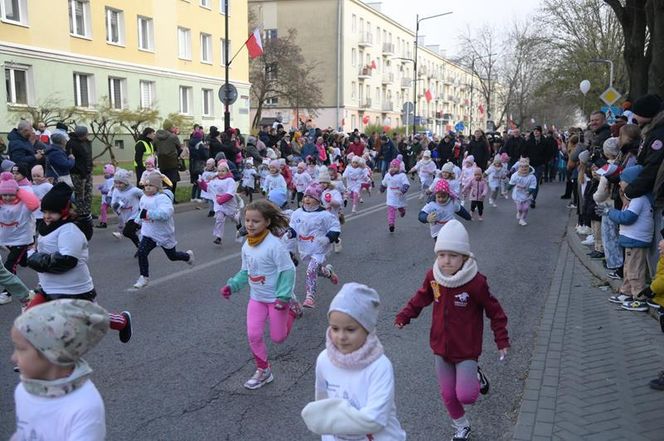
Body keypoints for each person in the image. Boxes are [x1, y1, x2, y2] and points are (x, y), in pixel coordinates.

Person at [395, 220, 509, 441]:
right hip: (440, 347)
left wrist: (501, 339)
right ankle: (461, 426)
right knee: (448, 394)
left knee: (466, 396)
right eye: (442, 255)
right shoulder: (433, 276)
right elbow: (421, 297)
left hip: (466, 349)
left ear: (465, 258)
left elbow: (495, 311)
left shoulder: (475, 283)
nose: (446, 261)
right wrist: (404, 316)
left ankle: (475, 374)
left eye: (453, 256)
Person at [24, 183, 132, 342]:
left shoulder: (69, 230)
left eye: (52, 213)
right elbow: (45, 251)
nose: (47, 216)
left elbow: (66, 261)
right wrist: (33, 253)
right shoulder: (46, 226)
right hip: (48, 288)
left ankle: (122, 322)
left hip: (74, 289)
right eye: (45, 212)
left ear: (64, 211)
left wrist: (33, 257)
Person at [301, 283, 406, 440]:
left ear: (367, 328)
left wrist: (333, 417)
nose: (341, 336)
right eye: (335, 328)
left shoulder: (379, 366)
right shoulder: (324, 360)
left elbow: (374, 419)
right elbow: (322, 404)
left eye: (350, 329)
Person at [221, 200, 300, 390]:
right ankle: (264, 370)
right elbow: (245, 271)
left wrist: (283, 297)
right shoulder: (247, 246)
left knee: (278, 338)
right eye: (247, 220)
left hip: (276, 300)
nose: (249, 224)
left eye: (255, 221)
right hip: (257, 299)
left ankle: (292, 311)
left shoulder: (275, 246)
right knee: (253, 334)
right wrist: (232, 286)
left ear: (267, 222)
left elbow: (288, 271)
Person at [10, 299, 109, 440]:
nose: (13, 358)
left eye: (20, 349)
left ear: (52, 353)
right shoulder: (24, 389)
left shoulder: (83, 407)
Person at [598, 165, 653, 311]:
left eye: (622, 181)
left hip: (637, 239)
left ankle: (639, 298)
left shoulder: (639, 199)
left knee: (635, 270)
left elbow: (627, 218)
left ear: (632, 183)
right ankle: (627, 292)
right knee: (628, 268)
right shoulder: (633, 198)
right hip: (632, 239)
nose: (619, 183)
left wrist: (610, 212)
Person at [132, 172, 194, 289]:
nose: (148, 187)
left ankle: (187, 256)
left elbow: (166, 213)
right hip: (149, 233)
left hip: (164, 234)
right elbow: (141, 212)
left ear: (158, 187)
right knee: (141, 252)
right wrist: (136, 222)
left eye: (151, 185)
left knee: (172, 256)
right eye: (146, 185)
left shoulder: (162, 199)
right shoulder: (144, 198)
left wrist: (149, 214)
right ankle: (144, 277)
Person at [288, 183, 340, 308]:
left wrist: (328, 238)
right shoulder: (297, 213)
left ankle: (310, 297)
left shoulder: (324, 215)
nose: (306, 199)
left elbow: (335, 227)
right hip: (305, 248)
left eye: (310, 197)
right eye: (305, 196)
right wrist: (290, 233)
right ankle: (328, 272)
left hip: (319, 248)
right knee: (316, 270)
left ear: (317, 200)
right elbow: (293, 228)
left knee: (311, 270)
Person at [0, 173, 39, 305]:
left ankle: (7, 293)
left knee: (9, 265)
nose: (7, 197)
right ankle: (34, 257)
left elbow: (34, 204)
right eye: (4, 195)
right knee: (23, 261)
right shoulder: (1, 204)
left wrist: (18, 190)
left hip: (21, 239)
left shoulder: (24, 204)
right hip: (6, 240)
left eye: (11, 194)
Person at [198, 160, 240, 246]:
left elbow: (230, 193)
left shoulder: (230, 180)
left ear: (227, 171)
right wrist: (201, 182)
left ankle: (238, 220)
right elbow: (207, 188)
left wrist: (221, 200)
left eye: (223, 171)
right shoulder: (214, 180)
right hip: (219, 206)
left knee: (233, 217)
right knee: (219, 219)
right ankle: (218, 237)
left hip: (229, 205)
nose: (221, 173)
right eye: (219, 171)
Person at [110, 169, 143, 251]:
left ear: (126, 182)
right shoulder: (116, 190)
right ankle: (141, 246)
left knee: (126, 232)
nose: (118, 185)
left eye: (120, 183)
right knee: (129, 232)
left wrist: (143, 205)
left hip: (135, 214)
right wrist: (115, 205)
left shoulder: (133, 190)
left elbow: (145, 195)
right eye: (116, 182)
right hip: (125, 216)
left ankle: (140, 247)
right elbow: (113, 203)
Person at [66, 126, 94, 218]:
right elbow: (74, 160)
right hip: (77, 174)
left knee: (88, 193)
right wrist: (82, 172)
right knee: (79, 194)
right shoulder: (71, 144)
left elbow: (88, 156)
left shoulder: (87, 142)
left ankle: (87, 212)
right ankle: (81, 213)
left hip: (88, 171)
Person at [154, 120, 182, 196]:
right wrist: (176, 155)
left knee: (164, 180)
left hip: (162, 162)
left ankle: (165, 196)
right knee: (173, 181)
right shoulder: (173, 137)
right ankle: (172, 196)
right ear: (170, 127)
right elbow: (179, 148)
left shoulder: (156, 137)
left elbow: (154, 148)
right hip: (172, 161)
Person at [381, 158, 409, 233]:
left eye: (395, 167)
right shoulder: (387, 175)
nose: (393, 168)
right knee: (391, 209)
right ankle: (391, 224)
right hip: (391, 195)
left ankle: (402, 211)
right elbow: (384, 183)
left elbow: (406, 184)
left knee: (399, 206)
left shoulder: (402, 175)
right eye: (391, 167)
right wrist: (382, 189)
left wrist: (402, 191)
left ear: (399, 167)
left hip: (399, 194)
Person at [508, 158, 537, 226]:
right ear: (519, 167)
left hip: (526, 194)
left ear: (528, 167)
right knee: (520, 208)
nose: (524, 168)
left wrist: (529, 191)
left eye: (526, 166)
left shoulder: (532, 176)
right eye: (522, 167)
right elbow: (511, 183)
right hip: (518, 194)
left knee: (526, 208)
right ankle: (519, 212)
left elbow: (533, 185)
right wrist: (506, 189)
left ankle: (522, 219)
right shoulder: (515, 175)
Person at [31, 165, 53, 232]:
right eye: (34, 176)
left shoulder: (47, 185)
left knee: (43, 228)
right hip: (34, 212)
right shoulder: (32, 186)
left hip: (43, 212)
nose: (36, 178)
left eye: (38, 176)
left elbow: (52, 195)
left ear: (43, 176)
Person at [96, 164, 114, 229]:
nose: (105, 175)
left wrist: (103, 190)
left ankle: (104, 222)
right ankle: (103, 222)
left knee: (105, 209)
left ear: (111, 173)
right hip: (106, 198)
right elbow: (105, 185)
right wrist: (101, 186)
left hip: (109, 198)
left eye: (107, 173)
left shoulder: (111, 180)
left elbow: (110, 190)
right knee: (103, 209)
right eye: (104, 173)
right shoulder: (108, 180)